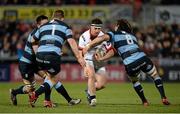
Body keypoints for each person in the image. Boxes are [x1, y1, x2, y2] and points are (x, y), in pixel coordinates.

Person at [82, 19, 170, 106]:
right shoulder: (132, 35)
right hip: (142, 57)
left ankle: (144, 101)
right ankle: (163, 97)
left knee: (135, 81)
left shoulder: (114, 34)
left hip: (130, 62)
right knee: (155, 76)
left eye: (116, 25)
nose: (115, 27)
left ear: (118, 26)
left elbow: (102, 38)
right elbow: (113, 51)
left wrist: (89, 45)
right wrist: (102, 59)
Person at [28, 10, 86, 107]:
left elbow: (32, 40)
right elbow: (71, 42)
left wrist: (38, 51)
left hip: (39, 56)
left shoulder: (43, 26)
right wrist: (79, 57)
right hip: (51, 56)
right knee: (53, 79)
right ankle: (35, 94)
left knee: (50, 78)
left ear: (52, 17)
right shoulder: (65, 27)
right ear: (62, 18)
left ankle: (49, 101)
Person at [78, 18, 114, 106]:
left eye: (99, 28)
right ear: (91, 27)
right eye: (95, 28)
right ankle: (93, 99)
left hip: (98, 61)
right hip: (88, 59)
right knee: (91, 76)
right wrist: (84, 67)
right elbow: (80, 54)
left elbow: (111, 51)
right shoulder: (84, 36)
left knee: (102, 85)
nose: (97, 30)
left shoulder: (103, 36)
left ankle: (89, 91)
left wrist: (102, 58)